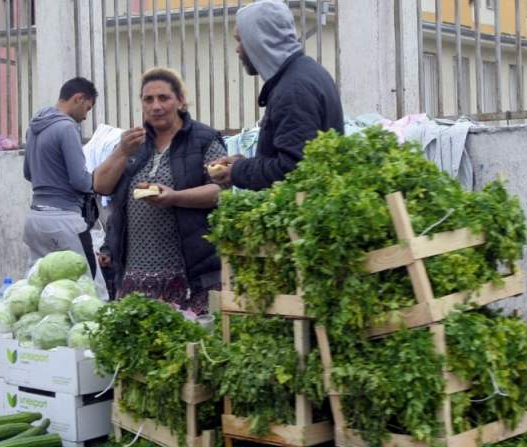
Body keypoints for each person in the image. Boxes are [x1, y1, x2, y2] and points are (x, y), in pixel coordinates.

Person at [93, 68, 227, 314]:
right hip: (135, 278)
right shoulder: (133, 144)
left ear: (180, 100)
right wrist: (122, 151)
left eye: (163, 98)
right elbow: (101, 185)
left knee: (189, 348)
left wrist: (175, 198)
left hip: (189, 279)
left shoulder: (204, 139)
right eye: (148, 99)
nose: (156, 106)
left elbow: (221, 190)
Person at [210, 0, 344, 191]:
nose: (237, 49)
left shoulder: (293, 90)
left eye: (240, 40)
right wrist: (245, 164)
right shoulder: (306, 73)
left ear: (259, 40)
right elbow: (296, 157)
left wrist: (239, 171)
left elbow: (294, 170)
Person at [23, 77, 100, 278]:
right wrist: (96, 178)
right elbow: (79, 180)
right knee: (91, 286)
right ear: (78, 98)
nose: (85, 116)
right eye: (88, 108)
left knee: (40, 284)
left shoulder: (34, 127)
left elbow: (28, 173)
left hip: (35, 219)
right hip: (65, 221)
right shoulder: (67, 128)